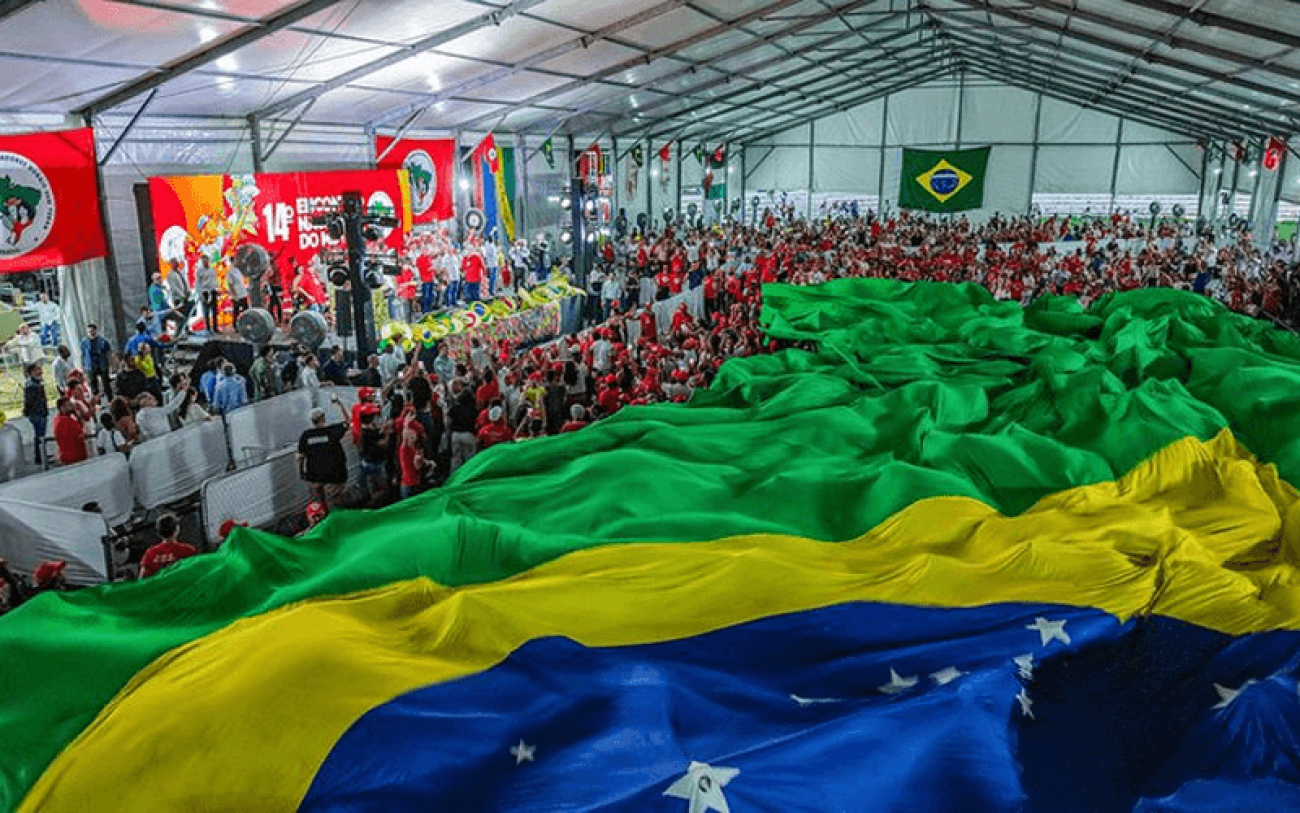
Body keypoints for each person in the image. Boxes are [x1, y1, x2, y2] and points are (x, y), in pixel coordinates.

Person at [296, 396, 352, 506]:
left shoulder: (306, 435)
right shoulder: (332, 431)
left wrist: (302, 474)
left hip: (315, 476)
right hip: (335, 475)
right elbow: (348, 421)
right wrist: (339, 404)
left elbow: (300, 457)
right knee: (336, 502)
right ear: (323, 417)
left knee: (319, 504)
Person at [139, 513, 199, 579]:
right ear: (176, 530)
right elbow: (198, 572)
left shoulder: (150, 553)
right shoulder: (187, 550)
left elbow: (142, 578)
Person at [21, 363, 47, 465]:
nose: (40, 371)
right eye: (37, 369)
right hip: (37, 413)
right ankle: (40, 456)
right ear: (32, 372)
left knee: (41, 435)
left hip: (40, 412)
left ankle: (41, 455)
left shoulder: (37, 383)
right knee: (39, 436)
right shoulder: (31, 385)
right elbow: (29, 402)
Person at [80, 322, 113, 401]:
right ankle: (97, 402)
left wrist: (110, 364)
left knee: (106, 384)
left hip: (102, 365)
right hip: (90, 366)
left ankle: (110, 400)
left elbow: (108, 353)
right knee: (93, 386)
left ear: (95, 331)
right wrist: (83, 366)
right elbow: (83, 354)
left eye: (92, 331)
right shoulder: (84, 342)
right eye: (89, 331)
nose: (91, 333)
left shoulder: (103, 341)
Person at [52, 396, 88, 465]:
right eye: (69, 405)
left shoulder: (57, 419)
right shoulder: (66, 421)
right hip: (75, 456)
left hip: (68, 455)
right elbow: (82, 434)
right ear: (62, 407)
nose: (72, 407)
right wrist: (80, 419)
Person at [194, 256, 219, 333]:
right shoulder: (199, 271)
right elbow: (198, 284)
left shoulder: (212, 269)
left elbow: (215, 280)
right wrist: (200, 294)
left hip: (212, 291)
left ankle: (215, 328)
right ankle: (208, 328)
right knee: (206, 311)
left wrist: (217, 289)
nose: (205, 263)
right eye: (203, 261)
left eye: (206, 261)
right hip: (205, 292)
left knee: (214, 310)